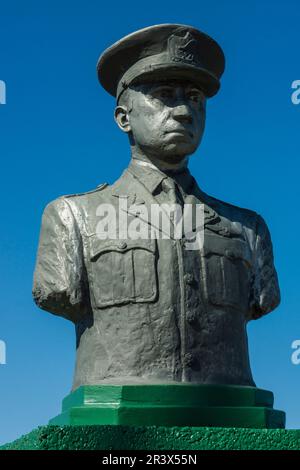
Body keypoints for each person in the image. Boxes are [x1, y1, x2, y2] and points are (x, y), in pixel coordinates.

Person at [33, 24, 280, 390]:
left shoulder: (247, 228)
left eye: (195, 98)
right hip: (113, 416)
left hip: (233, 406)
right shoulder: (72, 218)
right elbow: (56, 293)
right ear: (124, 118)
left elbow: (264, 300)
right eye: (164, 95)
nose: (184, 111)